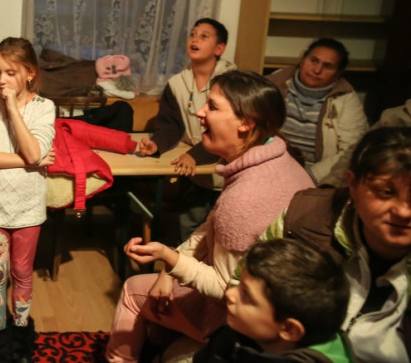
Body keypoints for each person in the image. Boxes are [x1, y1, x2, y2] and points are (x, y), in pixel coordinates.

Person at [106, 70, 314, 363]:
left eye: (213, 107)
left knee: (132, 289)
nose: (199, 112)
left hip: (246, 322)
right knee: (159, 322)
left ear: (246, 123)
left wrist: (169, 258)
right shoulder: (277, 159)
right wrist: (168, 270)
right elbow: (211, 225)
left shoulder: (247, 196)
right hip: (267, 309)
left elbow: (226, 287)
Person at [261, 126, 411, 362]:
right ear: (352, 184)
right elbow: (244, 283)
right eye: (386, 192)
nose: (403, 211)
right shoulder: (304, 218)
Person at [0, 37, 56, 363]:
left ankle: (21, 340)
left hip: (28, 206)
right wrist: (29, 161)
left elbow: (33, 150)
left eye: (10, 72)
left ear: (30, 73)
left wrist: (14, 110)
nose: (2, 80)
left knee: (21, 271)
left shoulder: (44, 107)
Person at [135, 17, 236, 241]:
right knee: (190, 226)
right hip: (195, 174)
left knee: (224, 231)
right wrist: (156, 144)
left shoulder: (233, 83)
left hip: (228, 171)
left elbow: (227, 132)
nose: (194, 39)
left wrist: (194, 155)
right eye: (192, 34)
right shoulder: (177, 83)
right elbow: (170, 124)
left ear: (219, 49)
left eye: (204, 36)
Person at [194, 239, 353, 362]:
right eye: (239, 285)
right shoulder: (240, 334)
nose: (230, 294)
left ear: (289, 329)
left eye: (246, 295)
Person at [267, 37, 368, 184]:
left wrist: (309, 176)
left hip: (315, 175)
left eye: (328, 66)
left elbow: (351, 150)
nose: (317, 70)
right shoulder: (275, 83)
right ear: (303, 60)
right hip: (269, 164)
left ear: (338, 73)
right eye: (313, 61)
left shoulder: (346, 99)